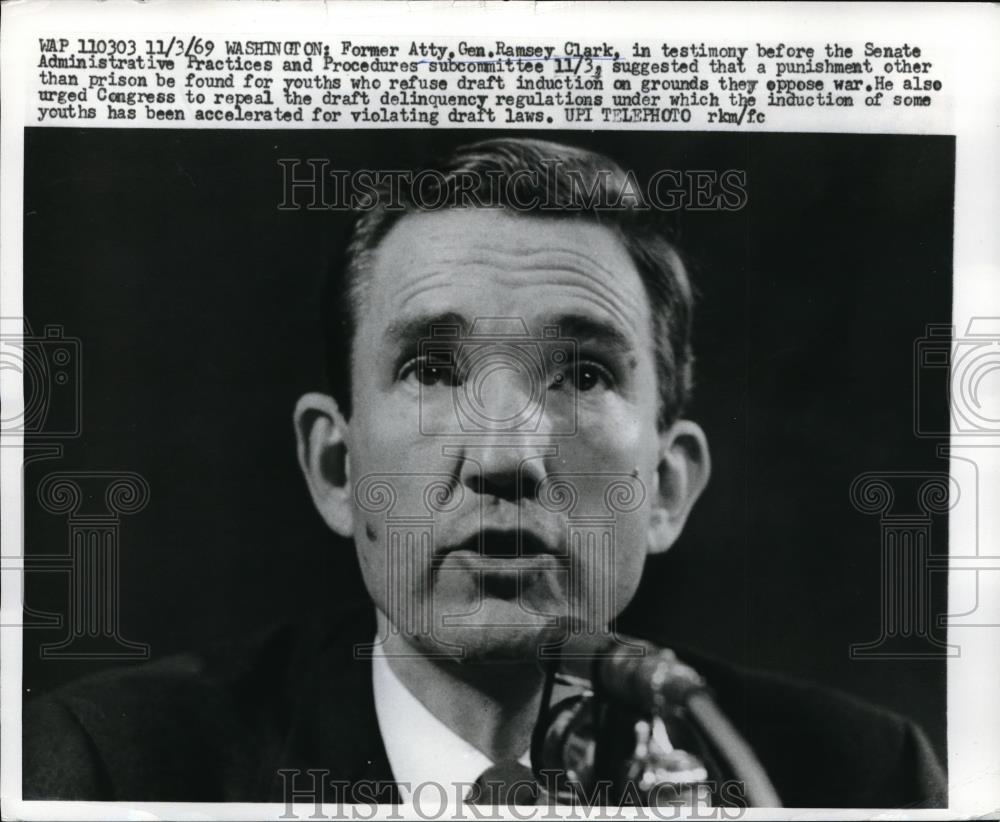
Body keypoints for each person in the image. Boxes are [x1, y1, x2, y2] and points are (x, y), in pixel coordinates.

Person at [23, 137, 945, 809]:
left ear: (667, 488)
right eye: (432, 369)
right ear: (337, 467)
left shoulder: (863, 779)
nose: (505, 457)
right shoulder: (117, 770)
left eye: (583, 375)